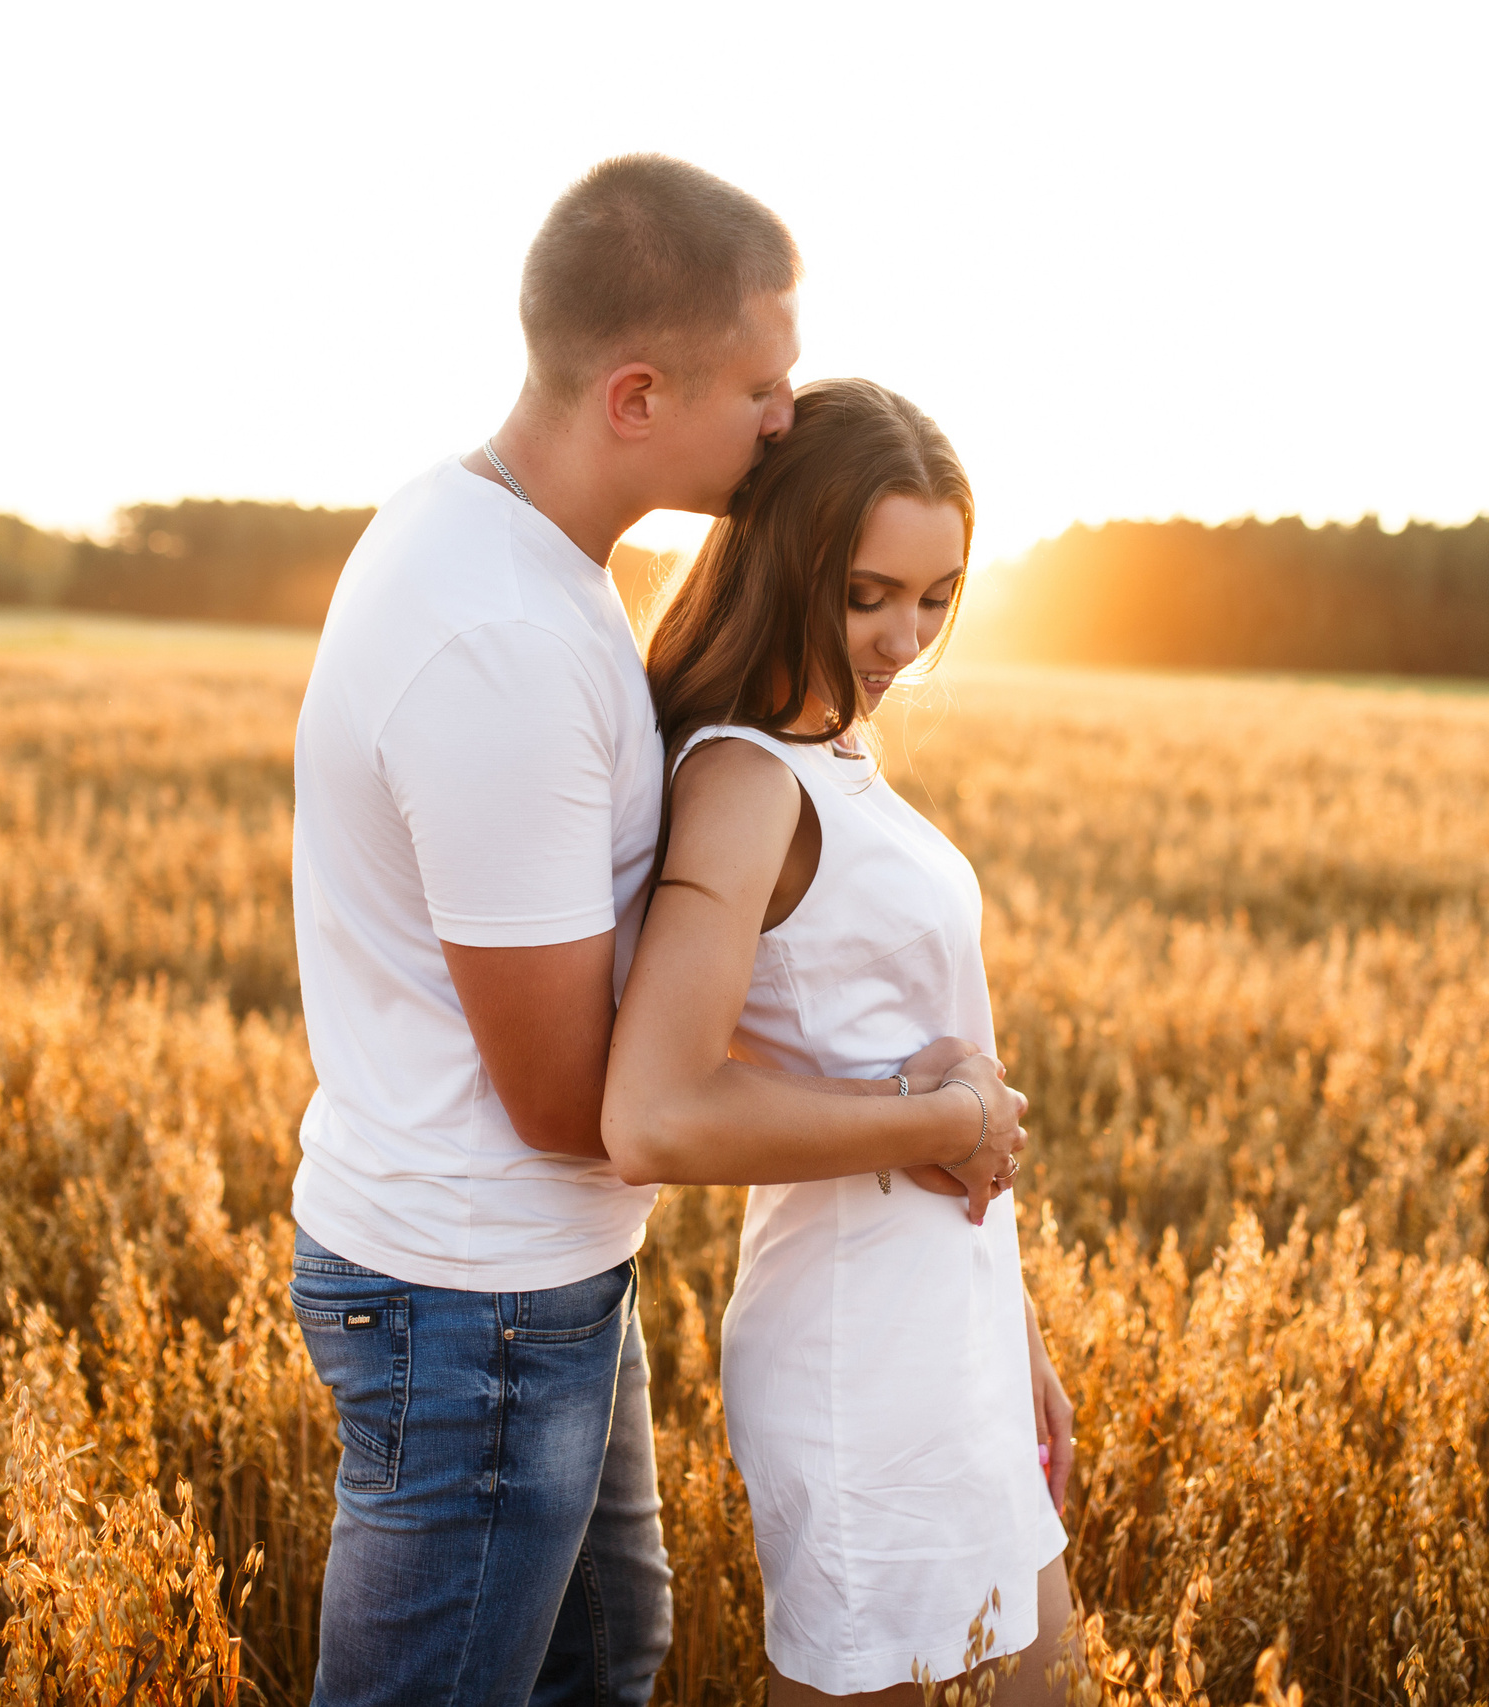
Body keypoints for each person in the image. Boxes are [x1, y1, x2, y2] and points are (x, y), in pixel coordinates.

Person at [286, 157, 1027, 1707]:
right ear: (636, 394)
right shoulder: (499, 634)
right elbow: (588, 1105)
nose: (785, 414)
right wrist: (924, 1111)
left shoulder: (520, 563)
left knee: (607, 1665)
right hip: (472, 1294)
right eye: (762, 381)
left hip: (532, 1274)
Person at [603, 378, 1079, 1705]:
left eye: (937, 596)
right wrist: (946, 1122)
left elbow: (916, 1044)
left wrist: (1017, 1341)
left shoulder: (837, 749)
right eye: (869, 592)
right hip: (862, 1356)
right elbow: (660, 1112)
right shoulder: (747, 777)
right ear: (787, 557)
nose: (905, 636)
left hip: (948, 1327)